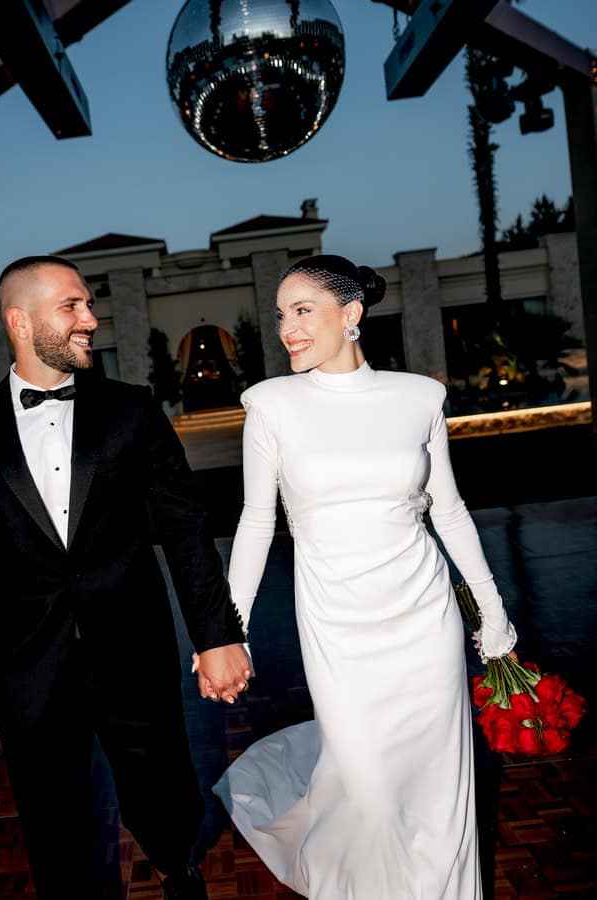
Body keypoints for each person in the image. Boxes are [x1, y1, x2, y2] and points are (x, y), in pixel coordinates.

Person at [210, 255, 518, 899]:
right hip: (335, 620)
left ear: (350, 314)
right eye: (280, 316)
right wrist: (225, 630)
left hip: (422, 613)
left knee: (440, 784)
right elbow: (256, 522)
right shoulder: (270, 405)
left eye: (302, 311)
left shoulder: (419, 397)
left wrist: (491, 609)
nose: (287, 329)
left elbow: (451, 510)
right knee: (371, 786)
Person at [0, 256, 252, 900]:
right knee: (49, 815)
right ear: (20, 321)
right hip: (26, 665)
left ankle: (176, 867)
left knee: (163, 790)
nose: (91, 318)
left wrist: (216, 635)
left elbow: (187, 529)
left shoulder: (130, 411)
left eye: (89, 303)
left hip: (133, 649)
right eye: (72, 307)